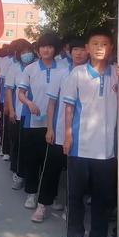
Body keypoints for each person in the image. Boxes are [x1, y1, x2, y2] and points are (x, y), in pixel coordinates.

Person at [62, 27, 119, 237]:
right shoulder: (77, 74)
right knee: (76, 194)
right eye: (95, 44)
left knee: (104, 197)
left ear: (111, 49)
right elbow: (68, 107)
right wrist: (68, 135)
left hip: (107, 149)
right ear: (88, 48)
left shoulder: (116, 74)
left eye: (104, 44)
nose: (100, 48)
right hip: (81, 146)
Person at [40, 37, 88, 220]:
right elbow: (51, 104)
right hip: (59, 132)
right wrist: (49, 128)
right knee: (51, 170)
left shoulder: (92, 74)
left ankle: (71, 208)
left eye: (82, 49)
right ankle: (43, 204)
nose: (78, 53)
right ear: (69, 51)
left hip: (83, 134)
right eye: (75, 49)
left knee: (77, 176)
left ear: (88, 51)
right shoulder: (61, 73)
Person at [17, 32, 61, 214]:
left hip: (55, 124)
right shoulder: (30, 69)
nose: (46, 49)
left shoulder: (64, 69)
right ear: (38, 49)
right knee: (33, 160)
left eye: (50, 46)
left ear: (55, 49)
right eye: (43, 46)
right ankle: (31, 193)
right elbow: (20, 93)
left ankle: (51, 196)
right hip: (33, 122)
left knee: (52, 163)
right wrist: (29, 103)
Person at [4, 39, 36, 190]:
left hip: (35, 114)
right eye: (23, 53)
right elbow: (9, 90)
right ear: (18, 55)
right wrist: (11, 109)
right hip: (18, 112)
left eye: (28, 51)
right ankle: (17, 174)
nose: (26, 55)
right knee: (17, 144)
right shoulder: (14, 68)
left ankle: (30, 175)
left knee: (30, 147)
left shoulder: (37, 67)